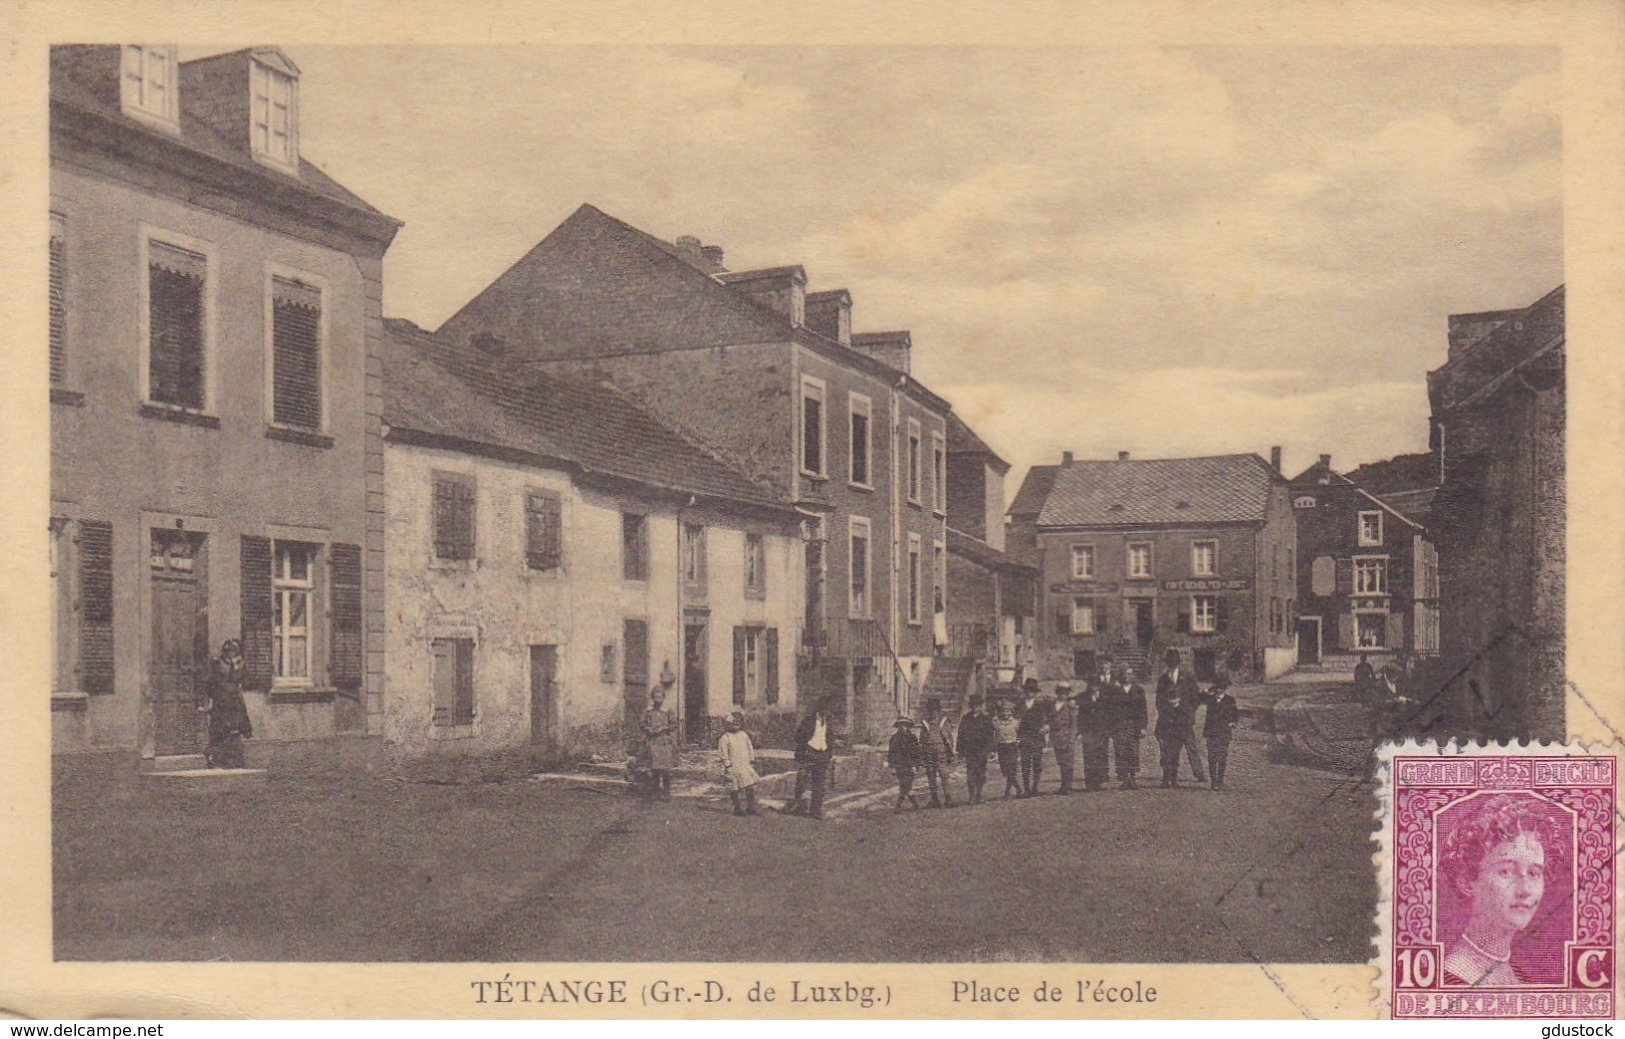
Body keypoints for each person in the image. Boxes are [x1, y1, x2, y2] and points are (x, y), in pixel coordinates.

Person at [1440, 795, 1561, 986]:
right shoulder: (1447, 980)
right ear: (1467, 881)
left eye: (1534, 873)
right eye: (1506, 871)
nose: (1524, 890)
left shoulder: (1521, 979)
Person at [1154, 649, 1207, 787]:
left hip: (1184, 720)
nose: (1171, 667)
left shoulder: (1188, 678)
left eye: (1173, 664)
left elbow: (1196, 699)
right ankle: (1168, 777)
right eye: (1169, 664)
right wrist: (1167, 708)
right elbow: (1158, 701)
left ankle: (1199, 772)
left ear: (1178, 664)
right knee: (1167, 749)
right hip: (1168, 720)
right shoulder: (1163, 680)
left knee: (1190, 745)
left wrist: (1183, 707)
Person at [198, 638, 252, 769]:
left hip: (235, 699)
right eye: (229, 650)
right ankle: (215, 757)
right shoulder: (217, 664)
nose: (231, 652)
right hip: (221, 698)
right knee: (219, 727)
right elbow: (210, 683)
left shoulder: (241, 664)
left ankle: (234, 758)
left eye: (234, 650)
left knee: (236, 726)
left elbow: (244, 680)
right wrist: (210, 700)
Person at [788, 695, 838, 819]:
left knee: (819, 785)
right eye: (824, 710)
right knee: (801, 782)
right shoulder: (808, 721)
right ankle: (799, 806)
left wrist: (828, 753)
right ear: (818, 710)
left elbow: (830, 738)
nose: (826, 713)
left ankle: (815, 811)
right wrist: (803, 752)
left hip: (822, 755)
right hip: (809, 754)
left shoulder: (828, 722)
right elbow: (798, 738)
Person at [1106, 662, 1148, 789]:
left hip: (1133, 725)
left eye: (1129, 674)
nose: (1126, 677)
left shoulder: (1138, 690)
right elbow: (1109, 709)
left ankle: (1133, 777)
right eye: (1124, 674)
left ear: (1132, 675)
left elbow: (1143, 710)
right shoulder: (1114, 690)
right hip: (1119, 725)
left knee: (1133, 751)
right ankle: (1124, 778)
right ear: (1120, 675)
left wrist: (1143, 727)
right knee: (1120, 751)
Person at [717, 710, 762, 816]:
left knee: (750, 786)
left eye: (738, 723)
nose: (736, 725)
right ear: (728, 724)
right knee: (735, 788)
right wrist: (728, 765)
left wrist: (751, 760)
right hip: (734, 766)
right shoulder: (725, 738)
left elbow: (749, 748)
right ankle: (737, 808)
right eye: (733, 723)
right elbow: (723, 753)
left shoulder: (744, 735)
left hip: (745, 765)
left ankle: (751, 807)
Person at [955, 692, 997, 804]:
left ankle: (979, 793)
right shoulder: (966, 718)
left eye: (978, 705)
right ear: (971, 706)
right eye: (973, 705)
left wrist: (992, 749)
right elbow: (961, 734)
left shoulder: (986, 718)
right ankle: (972, 795)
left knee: (981, 772)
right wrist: (960, 750)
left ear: (981, 706)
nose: (975, 708)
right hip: (970, 750)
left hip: (982, 750)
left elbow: (990, 735)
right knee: (971, 772)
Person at [1202, 673, 1240, 790]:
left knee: (1223, 756)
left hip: (1224, 732)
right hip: (1212, 732)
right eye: (1217, 687)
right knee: (1212, 756)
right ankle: (1213, 782)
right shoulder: (1211, 700)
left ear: (1225, 689)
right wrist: (1206, 732)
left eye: (1221, 688)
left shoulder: (1230, 700)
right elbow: (1208, 717)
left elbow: (1235, 714)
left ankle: (1220, 781)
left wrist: (1233, 722)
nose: (1218, 690)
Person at [642, 684, 679, 800]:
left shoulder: (667, 710)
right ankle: (655, 792)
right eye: (655, 697)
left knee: (665, 769)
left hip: (664, 742)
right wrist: (648, 729)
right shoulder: (648, 711)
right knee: (655, 768)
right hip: (653, 742)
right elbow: (642, 724)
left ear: (663, 698)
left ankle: (667, 792)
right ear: (652, 698)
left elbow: (674, 724)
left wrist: (664, 728)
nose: (657, 700)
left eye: (659, 697)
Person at [1076, 671, 1111, 791]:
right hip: (1088, 730)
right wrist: (1080, 731)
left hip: (1102, 730)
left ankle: (1101, 780)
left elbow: (1109, 714)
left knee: (1101, 753)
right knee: (1088, 754)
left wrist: (1108, 729)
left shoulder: (1105, 697)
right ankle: (1090, 781)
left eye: (1096, 685)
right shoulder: (1084, 697)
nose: (1094, 687)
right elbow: (1080, 715)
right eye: (1092, 685)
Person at [917, 697, 955, 807]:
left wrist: (950, 751)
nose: (933, 713)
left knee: (943, 773)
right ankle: (934, 799)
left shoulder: (943, 722)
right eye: (930, 710)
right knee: (930, 773)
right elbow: (922, 739)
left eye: (935, 710)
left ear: (939, 711)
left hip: (940, 751)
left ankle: (948, 798)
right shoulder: (925, 723)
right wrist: (922, 752)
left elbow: (948, 738)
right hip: (929, 751)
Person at [1017, 693, 1052, 797]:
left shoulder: (1041, 705)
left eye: (1032, 690)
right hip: (1024, 736)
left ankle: (1035, 787)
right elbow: (1015, 719)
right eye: (1028, 690)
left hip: (1037, 736)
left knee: (1037, 762)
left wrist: (1046, 726)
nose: (1030, 693)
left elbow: (1049, 717)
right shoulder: (1020, 704)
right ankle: (1026, 789)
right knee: (1025, 762)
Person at [1048, 684, 1078, 794]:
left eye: (1065, 693)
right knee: (1061, 761)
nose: (1063, 695)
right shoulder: (1052, 705)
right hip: (1056, 737)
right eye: (1061, 693)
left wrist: (1071, 738)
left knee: (1068, 762)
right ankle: (1063, 785)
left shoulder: (1070, 706)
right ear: (1057, 693)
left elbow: (1074, 724)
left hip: (1066, 736)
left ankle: (1068, 786)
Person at [887, 717, 922, 812]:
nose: (903, 727)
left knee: (906, 785)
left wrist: (915, 765)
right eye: (901, 725)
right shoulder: (894, 738)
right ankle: (908, 804)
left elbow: (916, 752)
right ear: (898, 726)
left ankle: (901, 805)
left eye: (905, 725)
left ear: (909, 726)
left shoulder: (912, 738)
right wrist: (892, 766)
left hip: (910, 765)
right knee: (905, 784)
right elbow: (891, 752)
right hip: (899, 765)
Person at [993, 697, 1022, 798]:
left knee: (1011, 769)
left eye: (1008, 711)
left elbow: (1020, 734)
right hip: (1002, 747)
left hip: (1012, 746)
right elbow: (994, 735)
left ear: (1011, 712)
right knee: (1005, 770)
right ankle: (1016, 788)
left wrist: (1018, 743)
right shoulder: (996, 722)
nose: (1005, 713)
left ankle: (1009, 791)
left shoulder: (1016, 722)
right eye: (1003, 711)